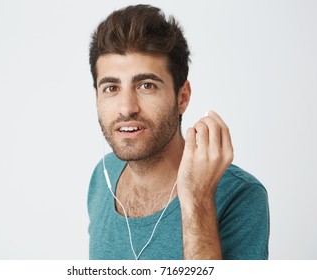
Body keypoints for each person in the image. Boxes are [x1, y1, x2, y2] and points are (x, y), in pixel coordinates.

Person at [87, 4, 269, 260]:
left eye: (146, 85)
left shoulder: (240, 194)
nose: (126, 108)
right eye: (111, 88)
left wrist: (198, 200)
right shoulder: (102, 178)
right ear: (97, 97)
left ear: (182, 97)